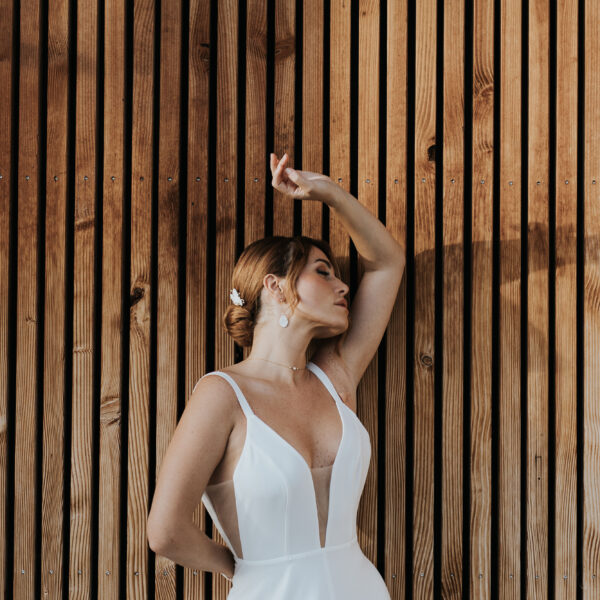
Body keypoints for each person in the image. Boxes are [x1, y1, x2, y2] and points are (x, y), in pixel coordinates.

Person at [147, 152, 405, 598]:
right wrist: (247, 571)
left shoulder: (335, 376)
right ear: (275, 285)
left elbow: (386, 263)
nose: (343, 287)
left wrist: (326, 192)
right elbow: (165, 530)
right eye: (323, 272)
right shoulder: (222, 395)